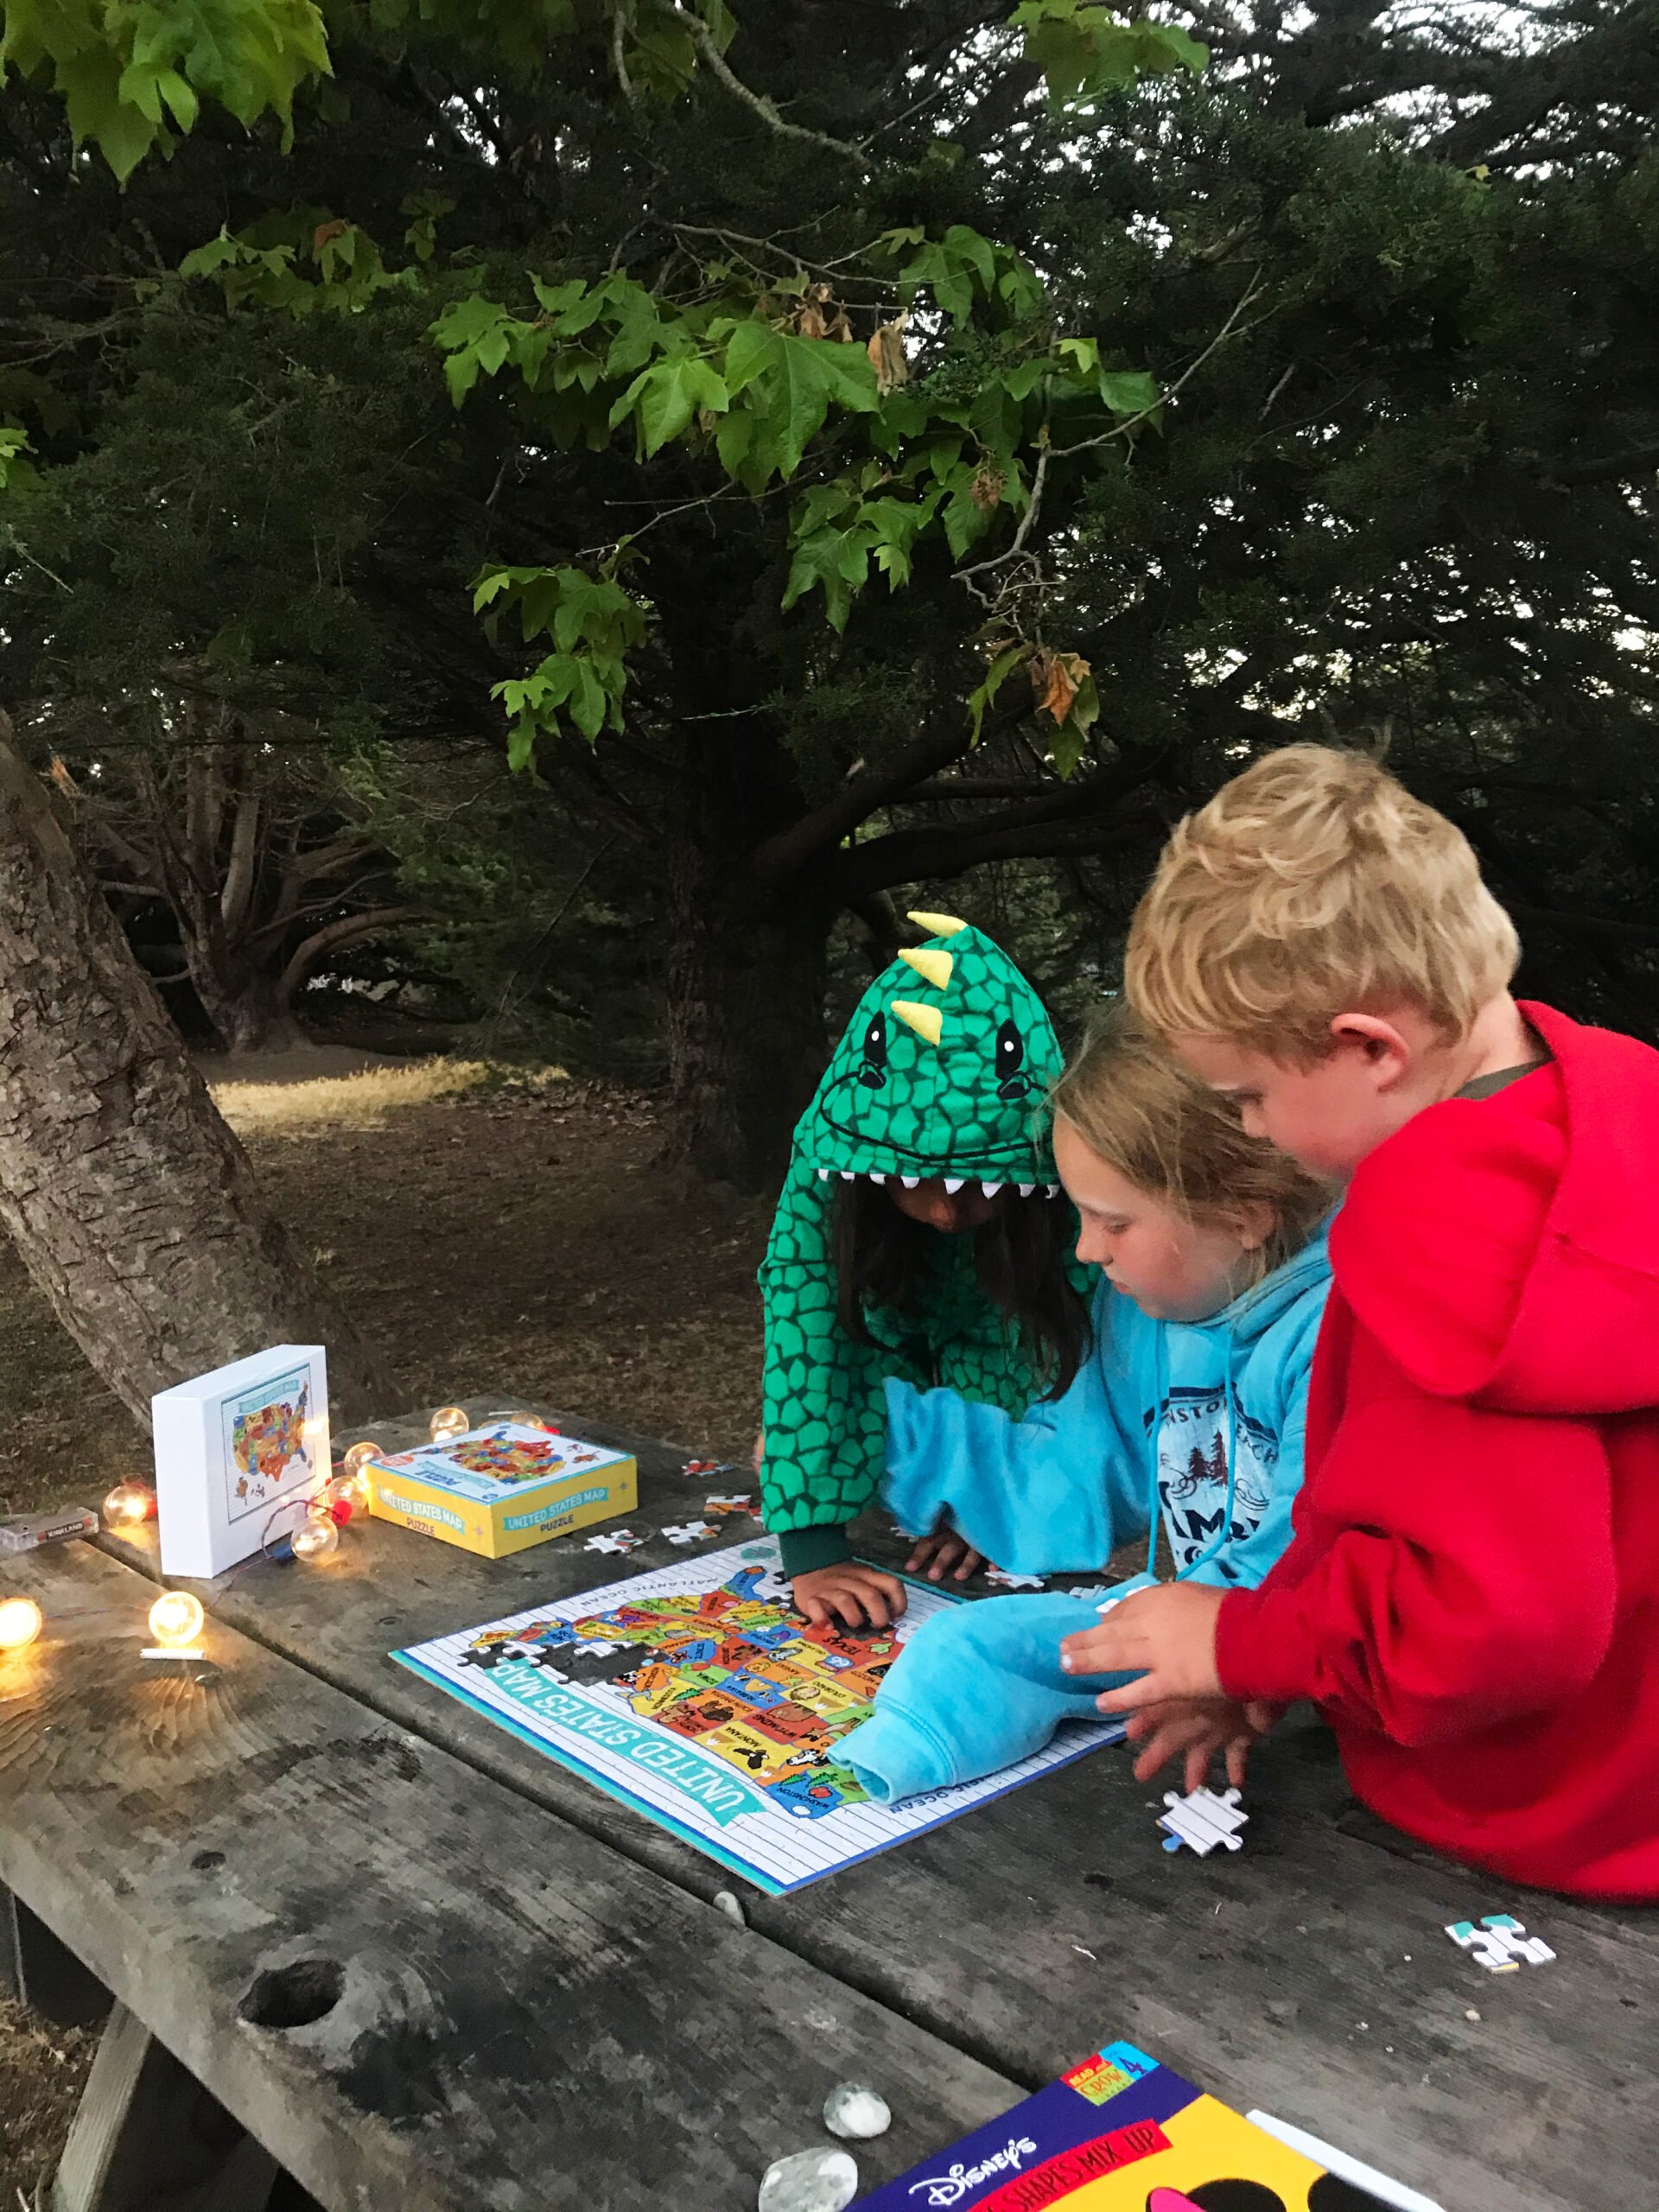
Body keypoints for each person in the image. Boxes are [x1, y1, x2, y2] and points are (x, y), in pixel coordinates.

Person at [1066, 742, 1659, 1899]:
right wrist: (1287, 1655)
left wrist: (1235, 1641)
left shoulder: (1431, 1222)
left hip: (1552, 1816)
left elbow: (1502, 1623)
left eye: (1247, 1098)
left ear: (1370, 1049)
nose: (1258, 1135)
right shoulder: (1614, 1099)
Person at [836, 1006, 1332, 1805]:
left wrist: (1232, 1660)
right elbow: (1073, 1468)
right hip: (1222, 1655)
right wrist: (876, 1435)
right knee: (974, 1640)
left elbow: (1323, 1565)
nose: (1086, 1251)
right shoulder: (1148, 1306)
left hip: (1338, 1702)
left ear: (1242, 1213)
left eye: (1113, 1221)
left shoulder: (1347, 1331)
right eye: (1082, 1215)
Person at [758, 911, 1092, 1630]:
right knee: (821, 1417)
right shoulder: (825, 1176)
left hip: (1012, 1375)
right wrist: (813, 1548)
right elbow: (810, 1340)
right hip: (886, 1356)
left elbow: (1053, 1353)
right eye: (918, 1182)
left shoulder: (1066, 1196)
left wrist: (992, 1505)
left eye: (974, 1188)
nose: (945, 1213)